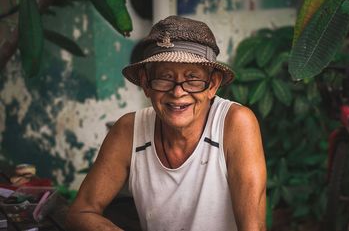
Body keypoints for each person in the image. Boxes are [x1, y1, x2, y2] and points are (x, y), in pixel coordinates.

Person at [66, 16, 267, 231]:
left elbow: (252, 228)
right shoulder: (129, 131)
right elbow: (81, 211)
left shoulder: (235, 123)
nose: (178, 92)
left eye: (192, 79)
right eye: (165, 78)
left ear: (213, 85)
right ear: (145, 84)